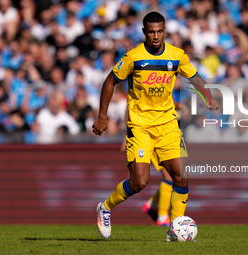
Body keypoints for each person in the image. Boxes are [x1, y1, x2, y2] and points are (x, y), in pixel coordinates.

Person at [92, 11, 218, 241]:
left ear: (165, 31)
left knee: (181, 177)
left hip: (168, 125)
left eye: (160, 31)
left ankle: (174, 228)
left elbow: (196, 77)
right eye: (151, 32)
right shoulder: (133, 57)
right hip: (140, 127)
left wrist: (208, 97)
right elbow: (110, 81)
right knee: (140, 181)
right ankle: (106, 207)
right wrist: (102, 116)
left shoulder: (177, 55)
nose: (156, 36)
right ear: (144, 33)